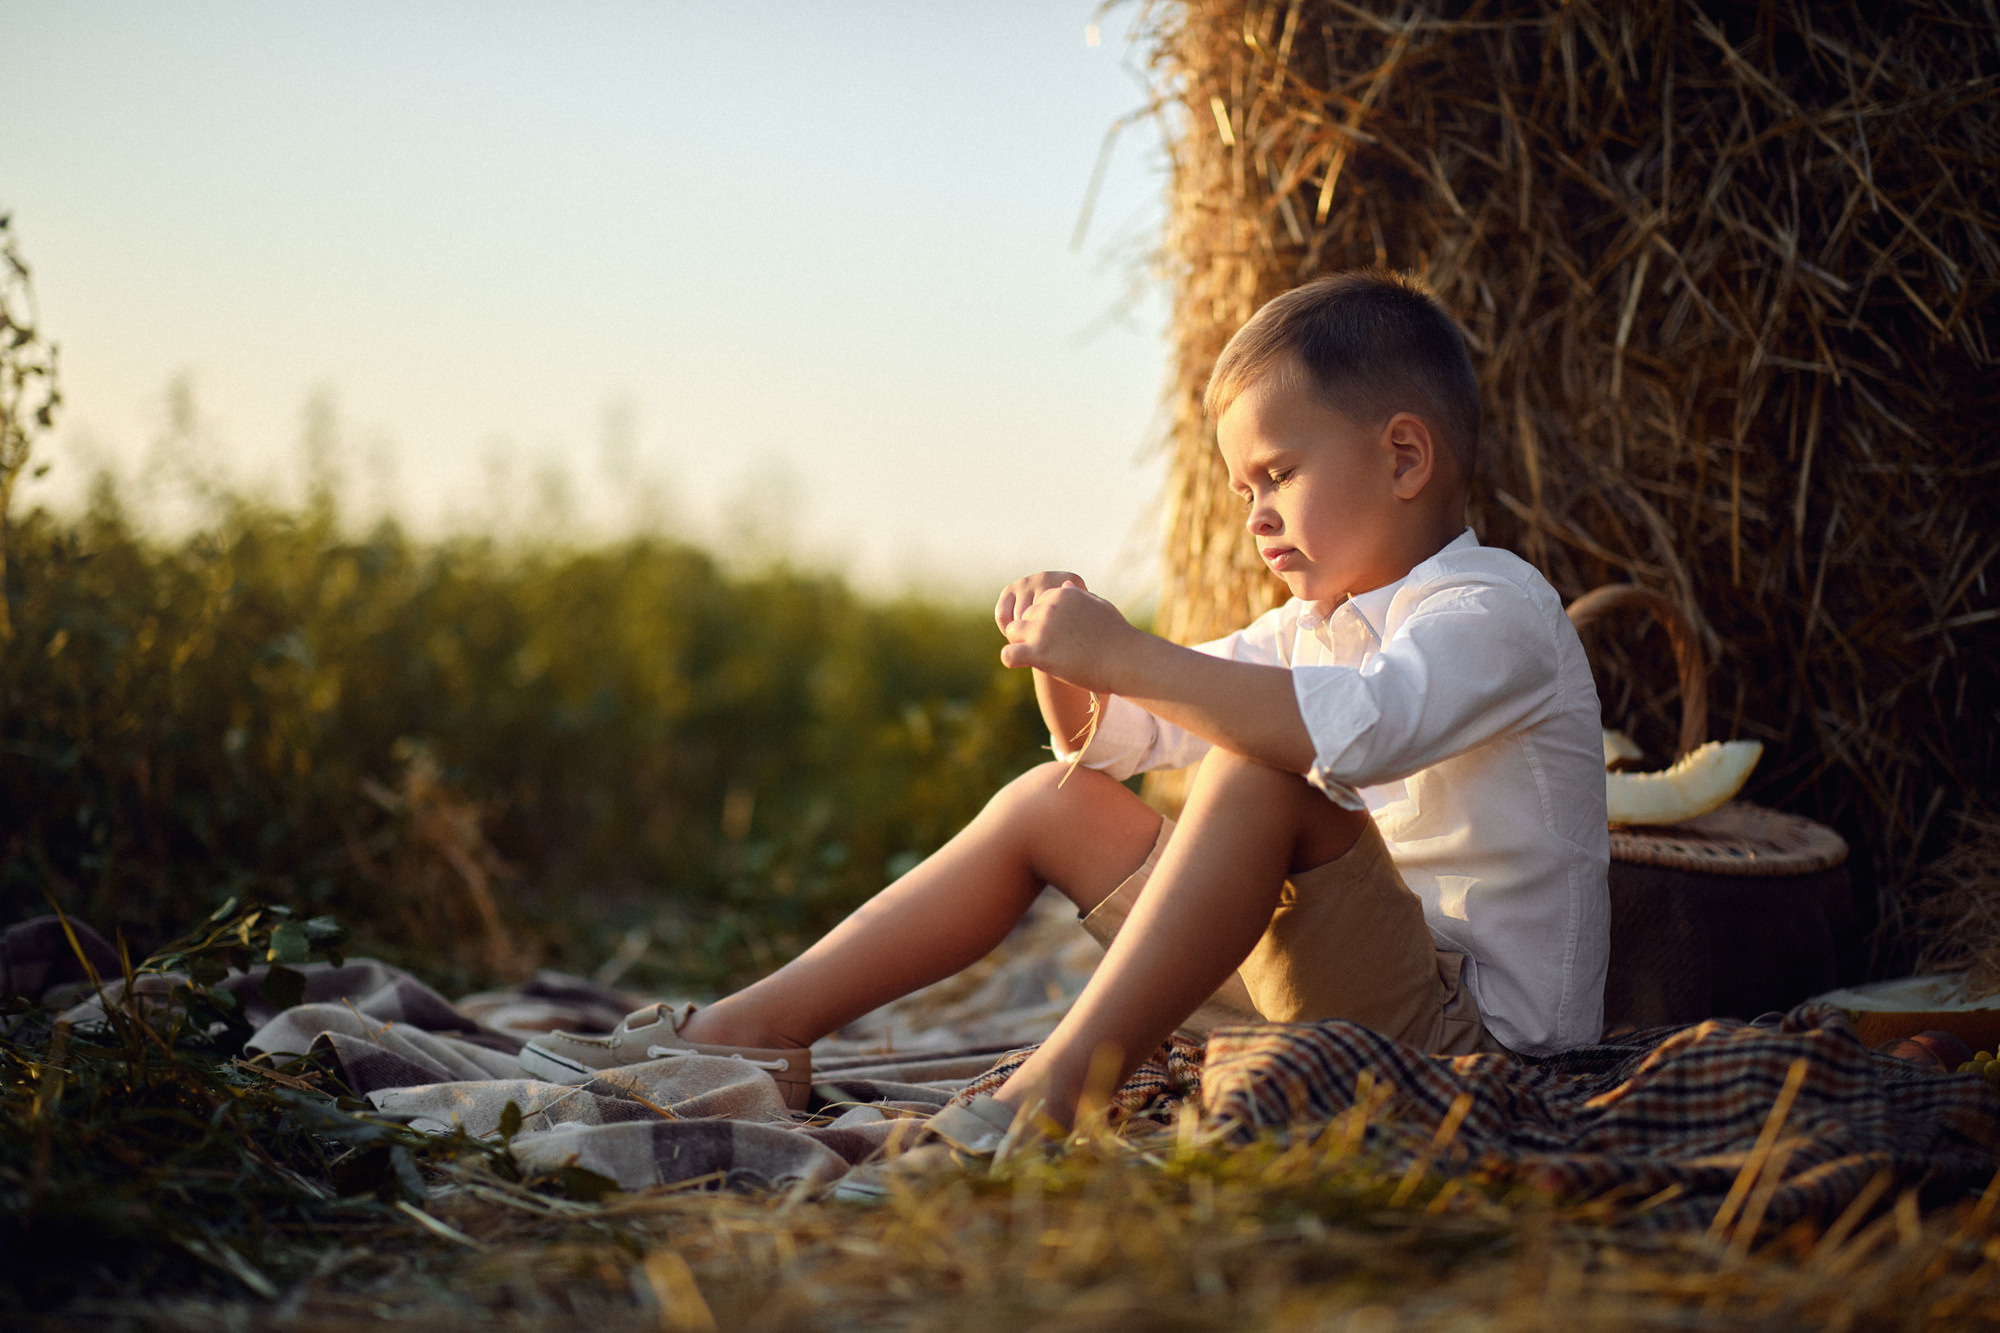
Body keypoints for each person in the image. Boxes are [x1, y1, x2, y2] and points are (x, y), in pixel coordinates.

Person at [522, 271, 1610, 1141]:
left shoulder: (1495, 612)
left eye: (1275, 474)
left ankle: (1043, 1098)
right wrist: (1074, 660)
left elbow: (1357, 725)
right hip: (1320, 997)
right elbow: (1123, 742)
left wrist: (1133, 652)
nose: (1253, 514)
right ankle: (753, 1031)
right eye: (1239, 492)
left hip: (1469, 1044)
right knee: (1054, 799)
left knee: (1254, 768)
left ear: (1404, 454)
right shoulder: (1308, 628)